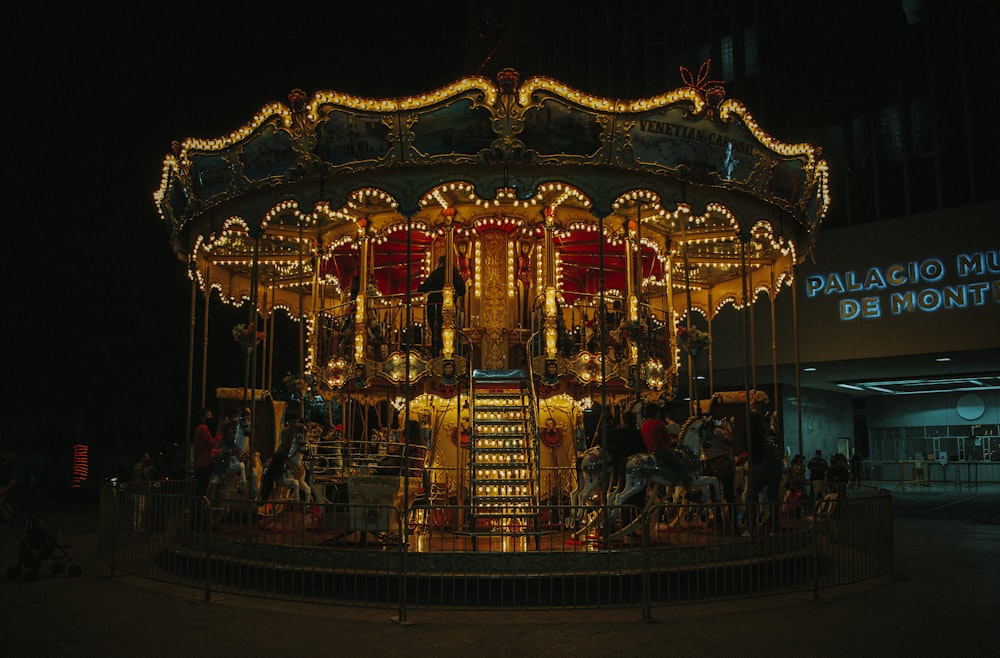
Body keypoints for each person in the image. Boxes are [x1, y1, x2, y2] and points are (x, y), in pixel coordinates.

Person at [417, 255, 466, 356]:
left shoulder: (437, 273)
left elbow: (424, 287)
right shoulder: (455, 274)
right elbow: (462, 290)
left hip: (436, 305)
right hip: (451, 306)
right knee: (450, 331)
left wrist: (421, 287)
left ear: (440, 263)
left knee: (436, 331)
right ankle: (452, 352)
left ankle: (437, 354)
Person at [745, 403, 782, 535]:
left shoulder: (750, 433)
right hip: (773, 465)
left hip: (758, 465)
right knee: (773, 498)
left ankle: (751, 527)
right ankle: (775, 528)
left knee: (752, 496)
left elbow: (746, 447)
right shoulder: (768, 430)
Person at [640, 403, 692, 486]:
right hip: (662, 451)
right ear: (656, 413)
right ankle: (688, 487)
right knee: (681, 466)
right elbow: (667, 440)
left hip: (650, 451)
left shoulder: (643, 426)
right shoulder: (659, 424)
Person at [260, 407, 303, 501]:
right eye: (294, 422)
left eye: (297, 422)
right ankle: (264, 496)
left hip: (293, 454)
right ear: (289, 422)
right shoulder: (286, 431)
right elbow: (286, 444)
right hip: (282, 454)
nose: (296, 424)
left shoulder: (298, 431)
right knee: (271, 474)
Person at [192, 408, 218, 498]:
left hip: (203, 462)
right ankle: (198, 509)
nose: (210, 418)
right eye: (208, 415)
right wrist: (220, 435)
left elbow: (206, 447)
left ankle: (198, 508)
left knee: (201, 487)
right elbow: (210, 443)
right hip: (204, 463)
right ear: (202, 418)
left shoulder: (201, 429)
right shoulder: (202, 428)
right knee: (202, 488)